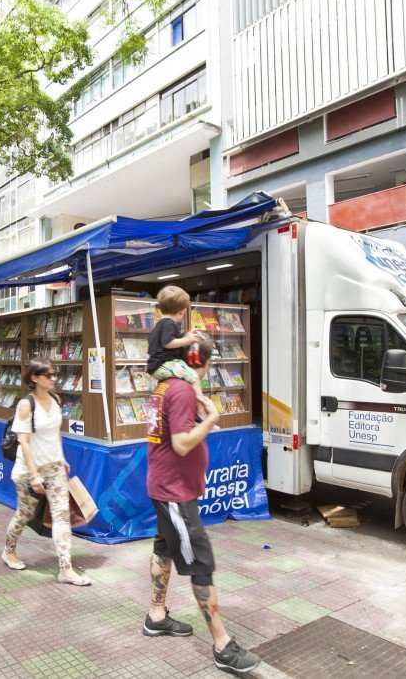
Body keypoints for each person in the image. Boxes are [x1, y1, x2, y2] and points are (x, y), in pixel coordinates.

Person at [141, 333, 260, 674]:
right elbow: (180, 444)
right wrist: (211, 419)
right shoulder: (178, 390)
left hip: (170, 488)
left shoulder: (169, 386)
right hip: (173, 493)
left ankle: (156, 615)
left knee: (164, 548)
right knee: (200, 562)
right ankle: (222, 645)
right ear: (201, 362)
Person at [1, 358, 90, 586]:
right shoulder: (26, 405)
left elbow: (55, 433)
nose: (53, 378)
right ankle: (9, 550)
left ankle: (66, 569)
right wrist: (33, 475)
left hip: (54, 468)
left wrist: (61, 458)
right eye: (48, 375)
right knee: (25, 514)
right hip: (28, 470)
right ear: (34, 378)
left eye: (53, 374)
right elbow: (25, 442)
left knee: (61, 516)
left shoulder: (55, 399)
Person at [147, 285, 207, 416]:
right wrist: (188, 340)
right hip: (164, 363)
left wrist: (186, 336)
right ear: (180, 311)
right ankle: (201, 412)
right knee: (194, 377)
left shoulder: (161, 324)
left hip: (155, 365)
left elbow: (170, 340)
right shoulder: (169, 323)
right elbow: (168, 342)